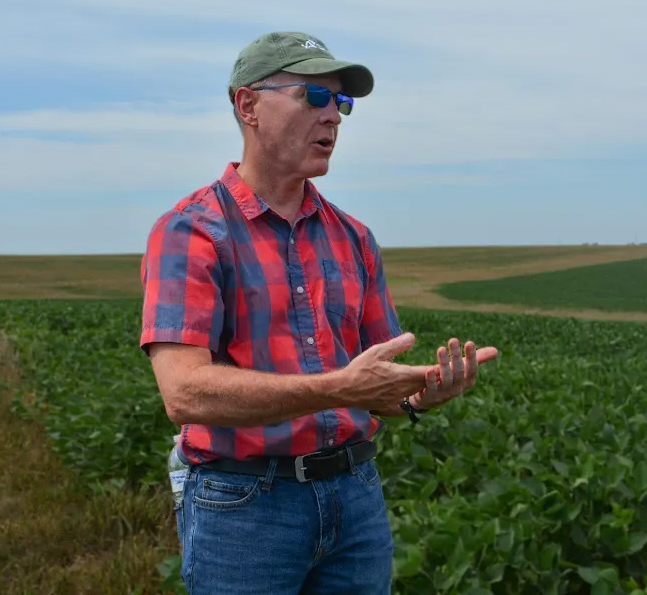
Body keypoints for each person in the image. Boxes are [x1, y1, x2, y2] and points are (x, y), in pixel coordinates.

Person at [138, 31, 498, 594]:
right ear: (248, 105)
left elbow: (378, 386)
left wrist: (420, 392)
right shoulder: (192, 231)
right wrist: (340, 388)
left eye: (342, 103)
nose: (334, 117)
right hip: (245, 507)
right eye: (314, 97)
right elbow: (184, 393)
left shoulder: (353, 238)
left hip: (355, 494)